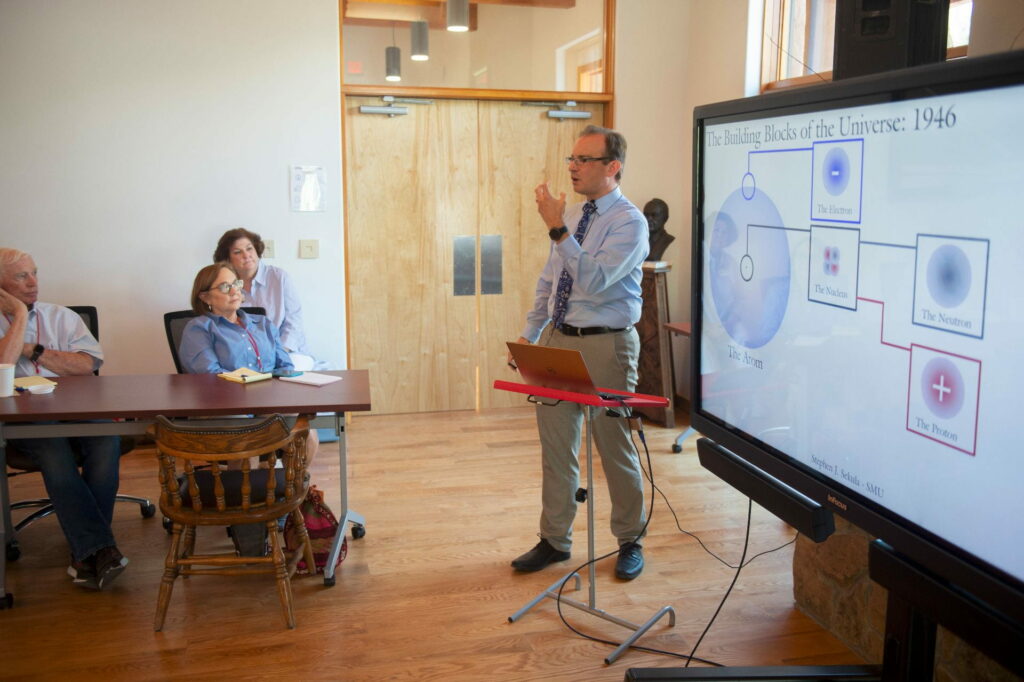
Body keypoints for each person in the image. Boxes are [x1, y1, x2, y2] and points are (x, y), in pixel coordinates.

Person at [508, 125, 649, 580]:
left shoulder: (629, 221)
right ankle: (555, 540)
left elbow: (594, 281)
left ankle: (629, 539)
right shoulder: (573, 217)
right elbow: (552, 281)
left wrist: (555, 227)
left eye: (584, 160)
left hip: (608, 345)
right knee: (556, 446)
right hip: (559, 340)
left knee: (614, 447)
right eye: (572, 159)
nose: (573, 167)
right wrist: (532, 333)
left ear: (613, 167)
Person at [0, 247, 128, 590]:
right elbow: (2, 371)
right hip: (21, 420)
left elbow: (88, 365)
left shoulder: (63, 317)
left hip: (78, 409)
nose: (33, 283)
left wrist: (34, 349)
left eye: (35, 273)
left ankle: (89, 551)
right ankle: (99, 548)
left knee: (106, 441)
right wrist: (19, 318)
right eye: (21, 276)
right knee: (54, 451)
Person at [178, 262, 318, 555]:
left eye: (236, 284)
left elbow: (284, 365)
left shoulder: (261, 323)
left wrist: (273, 384)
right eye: (224, 286)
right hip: (223, 412)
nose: (234, 291)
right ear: (205, 297)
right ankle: (252, 542)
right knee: (248, 449)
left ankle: (284, 505)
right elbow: (209, 374)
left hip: (265, 407)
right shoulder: (199, 328)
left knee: (309, 435)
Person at [213, 228, 316, 370]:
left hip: (288, 352)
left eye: (249, 249)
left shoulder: (279, 277)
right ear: (228, 258)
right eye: (237, 252)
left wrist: (278, 353)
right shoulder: (226, 286)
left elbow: (294, 322)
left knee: (288, 375)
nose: (246, 255)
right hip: (246, 356)